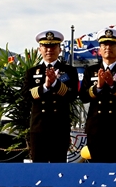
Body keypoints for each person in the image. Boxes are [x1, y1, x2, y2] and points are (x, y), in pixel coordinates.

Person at [79, 28, 116, 163]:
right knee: (96, 167)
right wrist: (98, 87)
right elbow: (83, 97)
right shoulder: (90, 71)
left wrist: (112, 85)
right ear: (99, 50)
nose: (108, 48)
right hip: (96, 127)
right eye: (104, 45)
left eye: (112, 45)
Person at [22, 30, 79, 162]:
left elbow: (72, 95)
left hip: (59, 127)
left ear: (60, 49)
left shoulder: (69, 71)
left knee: (58, 165)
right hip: (39, 126)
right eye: (46, 47)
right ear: (40, 49)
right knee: (38, 165)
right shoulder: (32, 72)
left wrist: (55, 84)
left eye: (53, 46)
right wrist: (45, 86)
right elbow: (26, 95)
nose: (49, 50)